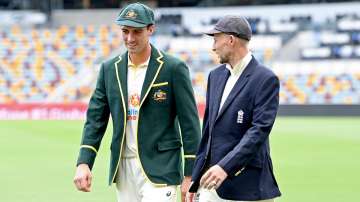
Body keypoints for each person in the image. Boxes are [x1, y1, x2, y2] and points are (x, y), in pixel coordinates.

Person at [73, 3, 201, 202]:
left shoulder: (174, 68)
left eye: (137, 31)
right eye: (125, 31)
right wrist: (84, 163)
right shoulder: (109, 69)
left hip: (161, 168)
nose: (130, 38)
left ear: (151, 29)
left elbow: (190, 124)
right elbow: (95, 119)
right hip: (123, 169)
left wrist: (191, 174)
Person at [186, 16, 281, 202]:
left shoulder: (265, 79)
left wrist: (225, 167)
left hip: (248, 187)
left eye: (216, 40)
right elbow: (208, 133)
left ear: (231, 40)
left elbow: (258, 132)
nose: (213, 47)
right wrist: (195, 180)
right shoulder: (215, 76)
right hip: (211, 186)